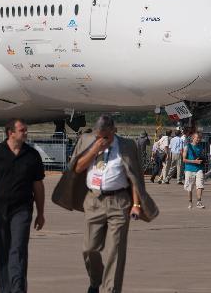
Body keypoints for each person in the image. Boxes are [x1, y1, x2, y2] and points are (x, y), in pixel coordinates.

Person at [53, 115, 158, 293]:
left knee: (115, 250)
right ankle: (96, 280)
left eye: (106, 137)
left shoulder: (127, 146)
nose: (103, 140)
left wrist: (136, 205)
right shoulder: (87, 141)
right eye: (99, 136)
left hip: (119, 202)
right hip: (93, 200)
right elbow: (77, 168)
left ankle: (111, 289)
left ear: (114, 131)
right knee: (89, 249)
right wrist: (94, 149)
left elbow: (135, 178)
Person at [0, 118, 45, 293]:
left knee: (18, 249)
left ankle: (18, 288)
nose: (26, 133)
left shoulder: (32, 155)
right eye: (22, 130)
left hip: (22, 210)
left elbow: (38, 186)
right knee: (2, 252)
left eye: (26, 130)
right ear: (11, 133)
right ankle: (5, 289)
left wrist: (41, 213)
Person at [182, 131, 206, 209]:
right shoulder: (187, 147)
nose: (198, 139)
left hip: (199, 168)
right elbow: (184, 160)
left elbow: (201, 156)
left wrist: (202, 160)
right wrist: (194, 161)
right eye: (197, 138)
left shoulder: (201, 147)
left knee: (200, 184)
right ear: (193, 138)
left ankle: (199, 201)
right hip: (189, 169)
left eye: (200, 138)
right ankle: (190, 201)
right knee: (190, 187)